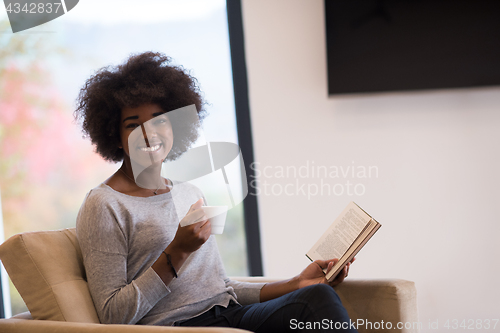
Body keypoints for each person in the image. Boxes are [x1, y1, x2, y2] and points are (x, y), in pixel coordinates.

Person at [74, 51, 357, 332]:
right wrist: (177, 252)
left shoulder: (188, 192)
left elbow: (219, 287)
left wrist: (296, 283)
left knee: (316, 296)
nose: (149, 134)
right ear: (114, 134)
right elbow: (112, 316)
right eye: (133, 124)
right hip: (179, 326)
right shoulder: (104, 204)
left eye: (159, 120)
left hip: (228, 315)